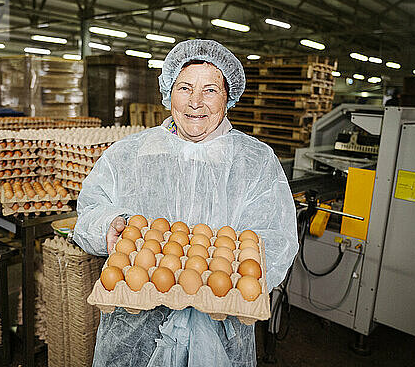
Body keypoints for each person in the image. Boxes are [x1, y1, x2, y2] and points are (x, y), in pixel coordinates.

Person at [73, 39, 298, 367]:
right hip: (136, 329)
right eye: (184, 88)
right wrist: (109, 226)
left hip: (221, 330)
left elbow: (274, 241)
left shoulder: (255, 161)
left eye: (210, 90)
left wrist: (226, 272)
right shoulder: (130, 153)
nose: (195, 102)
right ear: (168, 93)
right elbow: (90, 208)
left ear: (228, 96)